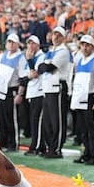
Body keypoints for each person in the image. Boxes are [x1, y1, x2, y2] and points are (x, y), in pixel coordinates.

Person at [71, 35, 94, 165]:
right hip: (80, 98)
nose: (85, 48)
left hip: (91, 97)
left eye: (87, 45)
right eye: (83, 45)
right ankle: (87, 154)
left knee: (93, 129)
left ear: (92, 47)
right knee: (83, 129)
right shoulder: (80, 61)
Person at [38, 27, 71, 158]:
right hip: (48, 87)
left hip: (58, 87)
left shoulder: (63, 51)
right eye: (54, 35)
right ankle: (50, 147)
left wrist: (45, 66)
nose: (55, 37)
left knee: (57, 119)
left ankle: (56, 148)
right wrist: (44, 66)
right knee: (48, 120)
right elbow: (40, 68)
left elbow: (49, 67)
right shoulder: (52, 51)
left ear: (63, 38)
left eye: (59, 35)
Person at [0, 33, 25, 152]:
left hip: (12, 90)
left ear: (17, 44)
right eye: (9, 42)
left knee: (11, 118)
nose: (11, 44)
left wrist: (20, 94)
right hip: (1, 90)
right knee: (2, 118)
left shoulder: (20, 57)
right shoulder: (3, 56)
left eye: (13, 42)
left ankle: (13, 144)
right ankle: (3, 141)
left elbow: (23, 77)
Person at [18, 35, 45, 156]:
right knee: (33, 120)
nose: (30, 46)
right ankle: (36, 145)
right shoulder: (29, 58)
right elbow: (24, 78)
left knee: (37, 121)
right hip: (31, 92)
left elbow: (34, 73)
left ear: (38, 45)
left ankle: (37, 146)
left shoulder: (41, 56)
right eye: (29, 44)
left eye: (33, 43)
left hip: (39, 91)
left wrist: (29, 60)